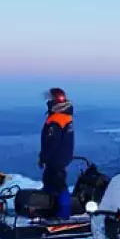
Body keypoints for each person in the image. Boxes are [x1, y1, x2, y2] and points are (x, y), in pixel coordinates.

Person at [39, 87, 75, 219]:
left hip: (56, 158)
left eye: (49, 99)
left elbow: (51, 141)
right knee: (50, 181)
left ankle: (64, 212)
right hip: (61, 156)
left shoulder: (56, 119)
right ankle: (48, 207)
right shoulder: (64, 117)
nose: (47, 101)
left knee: (58, 183)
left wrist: (44, 157)